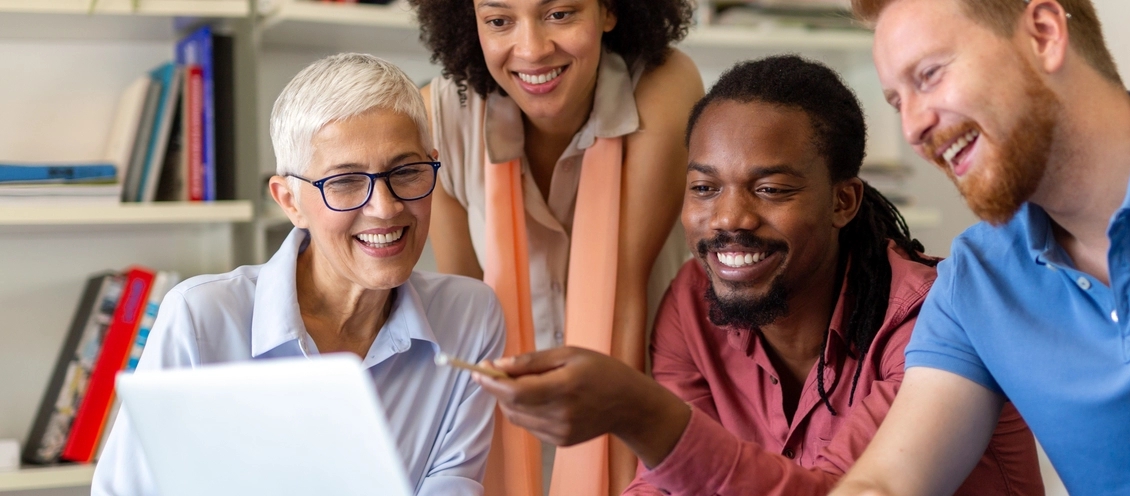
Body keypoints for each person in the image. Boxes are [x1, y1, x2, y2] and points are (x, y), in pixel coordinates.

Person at [472, 55, 1045, 495]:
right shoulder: (694, 304)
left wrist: (639, 410)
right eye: (704, 188)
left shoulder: (930, 321)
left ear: (843, 202)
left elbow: (838, 492)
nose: (728, 219)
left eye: (771, 189)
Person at [827, 0, 1130, 494]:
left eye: (929, 75)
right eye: (897, 101)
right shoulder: (976, 282)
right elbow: (887, 484)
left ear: (1043, 34)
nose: (913, 129)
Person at [91, 53, 505, 496]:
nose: (385, 208)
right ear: (289, 201)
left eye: (405, 172)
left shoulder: (470, 318)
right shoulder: (201, 319)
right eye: (344, 181)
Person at [408, 0, 704, 494]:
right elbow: (465, 316)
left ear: (608, 10)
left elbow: (622, 296)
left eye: (559, 14)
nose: (531, 50)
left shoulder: (664, 84)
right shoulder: (440, 117)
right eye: (499, 21)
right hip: (507, 428)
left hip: (642, 415)